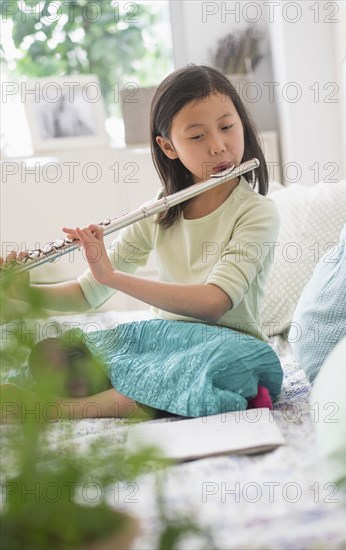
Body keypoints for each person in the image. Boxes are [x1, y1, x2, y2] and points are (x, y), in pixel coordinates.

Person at [1, 65, 282, 421]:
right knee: (53, 354)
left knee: (230, 367)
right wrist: (23, 292)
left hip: (226, 343)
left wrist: (113, 277)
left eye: (227, 127)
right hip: (163, 340)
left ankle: (56, 409)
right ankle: (124, 389)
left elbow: (214, 303)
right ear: (168, 146)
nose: (218, 146)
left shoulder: (258, 213)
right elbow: (89, 293)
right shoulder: (160, 209)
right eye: (197, 136)